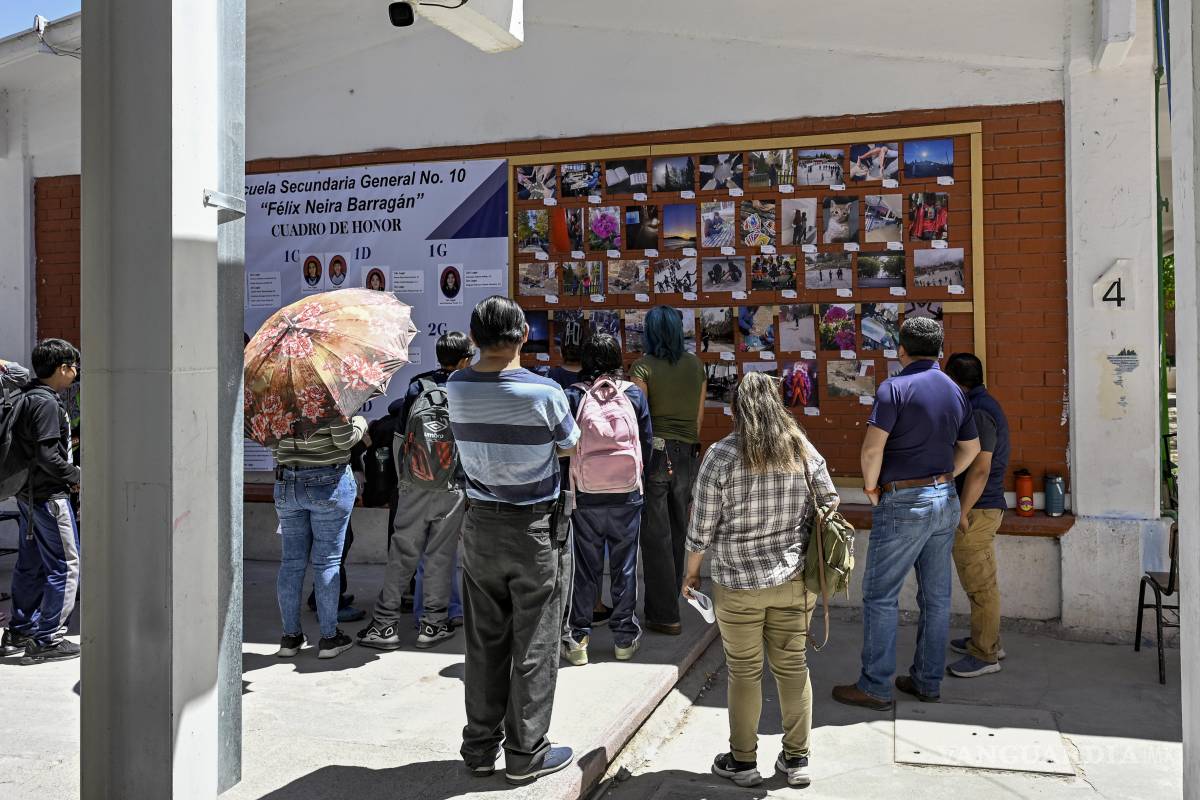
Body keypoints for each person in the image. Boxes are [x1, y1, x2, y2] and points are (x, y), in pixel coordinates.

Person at [446, 296, 578, 785]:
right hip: (532, 530)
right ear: (523, 335)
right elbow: (569, 444)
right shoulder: (544, 394)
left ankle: (480, 747)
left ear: (475, 338)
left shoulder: (456, 386)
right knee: (536, 642)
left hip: (479, 524)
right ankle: (526, 752)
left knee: (483, 642)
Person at [682, 371, 837, 788]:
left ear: (735, 409)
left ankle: (743, 761)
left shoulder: (720, 455)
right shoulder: (801, 448)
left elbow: (700, 527)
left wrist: (693, 572)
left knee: (745, 671)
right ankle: (797, 758)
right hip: (792, 580)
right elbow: (830, 500)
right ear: (777, 406)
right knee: (792, 667)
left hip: (737, 585)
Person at [833, 317, 979, 710]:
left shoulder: (894, 388)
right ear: (940, 350)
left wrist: (869, 488)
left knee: (881, 596)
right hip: (944, 497)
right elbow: (971, 448)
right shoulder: (954, 389)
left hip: (904, 500)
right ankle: (927, 681)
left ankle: (875, 685)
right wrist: (944, 475)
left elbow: (871, 450)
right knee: (936, 597)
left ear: (901, 350)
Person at [357, 332, 474, 650]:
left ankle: (384, 626)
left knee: (402, 556)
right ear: (465, 359)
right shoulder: (471, 387)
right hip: (452, 487)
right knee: (440, 557)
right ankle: (433, 626)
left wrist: (405, 480)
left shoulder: (417, 385)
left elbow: (399, 438)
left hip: (414, 485)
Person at [561, 334, 653, 666]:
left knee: (584, 568)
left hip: (586, 495)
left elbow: (563, 446)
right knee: (624, 567)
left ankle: (578, 639)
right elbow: (647, 443)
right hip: (627, 494)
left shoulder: (573, 395)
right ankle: (624, 640)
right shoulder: (633, 395)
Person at [1, 339, 82, 663]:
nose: (76, 372)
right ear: (62, 368)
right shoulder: (47, 404)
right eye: (74, 366)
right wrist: (76, 476)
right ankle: (48, 637)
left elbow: (15, 371)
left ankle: (18, 632)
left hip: (28, 496)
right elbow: (49, 456)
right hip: (50, 497)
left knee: (30, 564)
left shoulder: (27, 394)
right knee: (65, 565)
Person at [629, 306, 706, 635]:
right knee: (677, 531)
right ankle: (672, 600)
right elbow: (699, 420)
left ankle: (664, 614)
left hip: (656, 455)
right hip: (687, 454)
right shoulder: (697, 366)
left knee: (655, 535)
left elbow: (638, 420)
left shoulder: (642, 367)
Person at [271, 405, 367, 660]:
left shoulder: (273, 401)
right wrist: (360, 422)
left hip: (286, 482)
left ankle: (290, 637)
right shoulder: (323, 399)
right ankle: (328, 637)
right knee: (327, 562)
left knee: (291, 563)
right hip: (327, 481)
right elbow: (345, 439)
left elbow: (271, 444)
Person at [944, 352, 1010, 678]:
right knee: (984, 581)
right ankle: (988, 641)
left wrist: (961, 512)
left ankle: (985, 655)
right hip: (981, 507)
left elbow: (980, 469)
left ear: (958, 383)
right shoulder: (981, 404)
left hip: (978, 510)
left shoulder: (981, 412)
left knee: (980, 585)